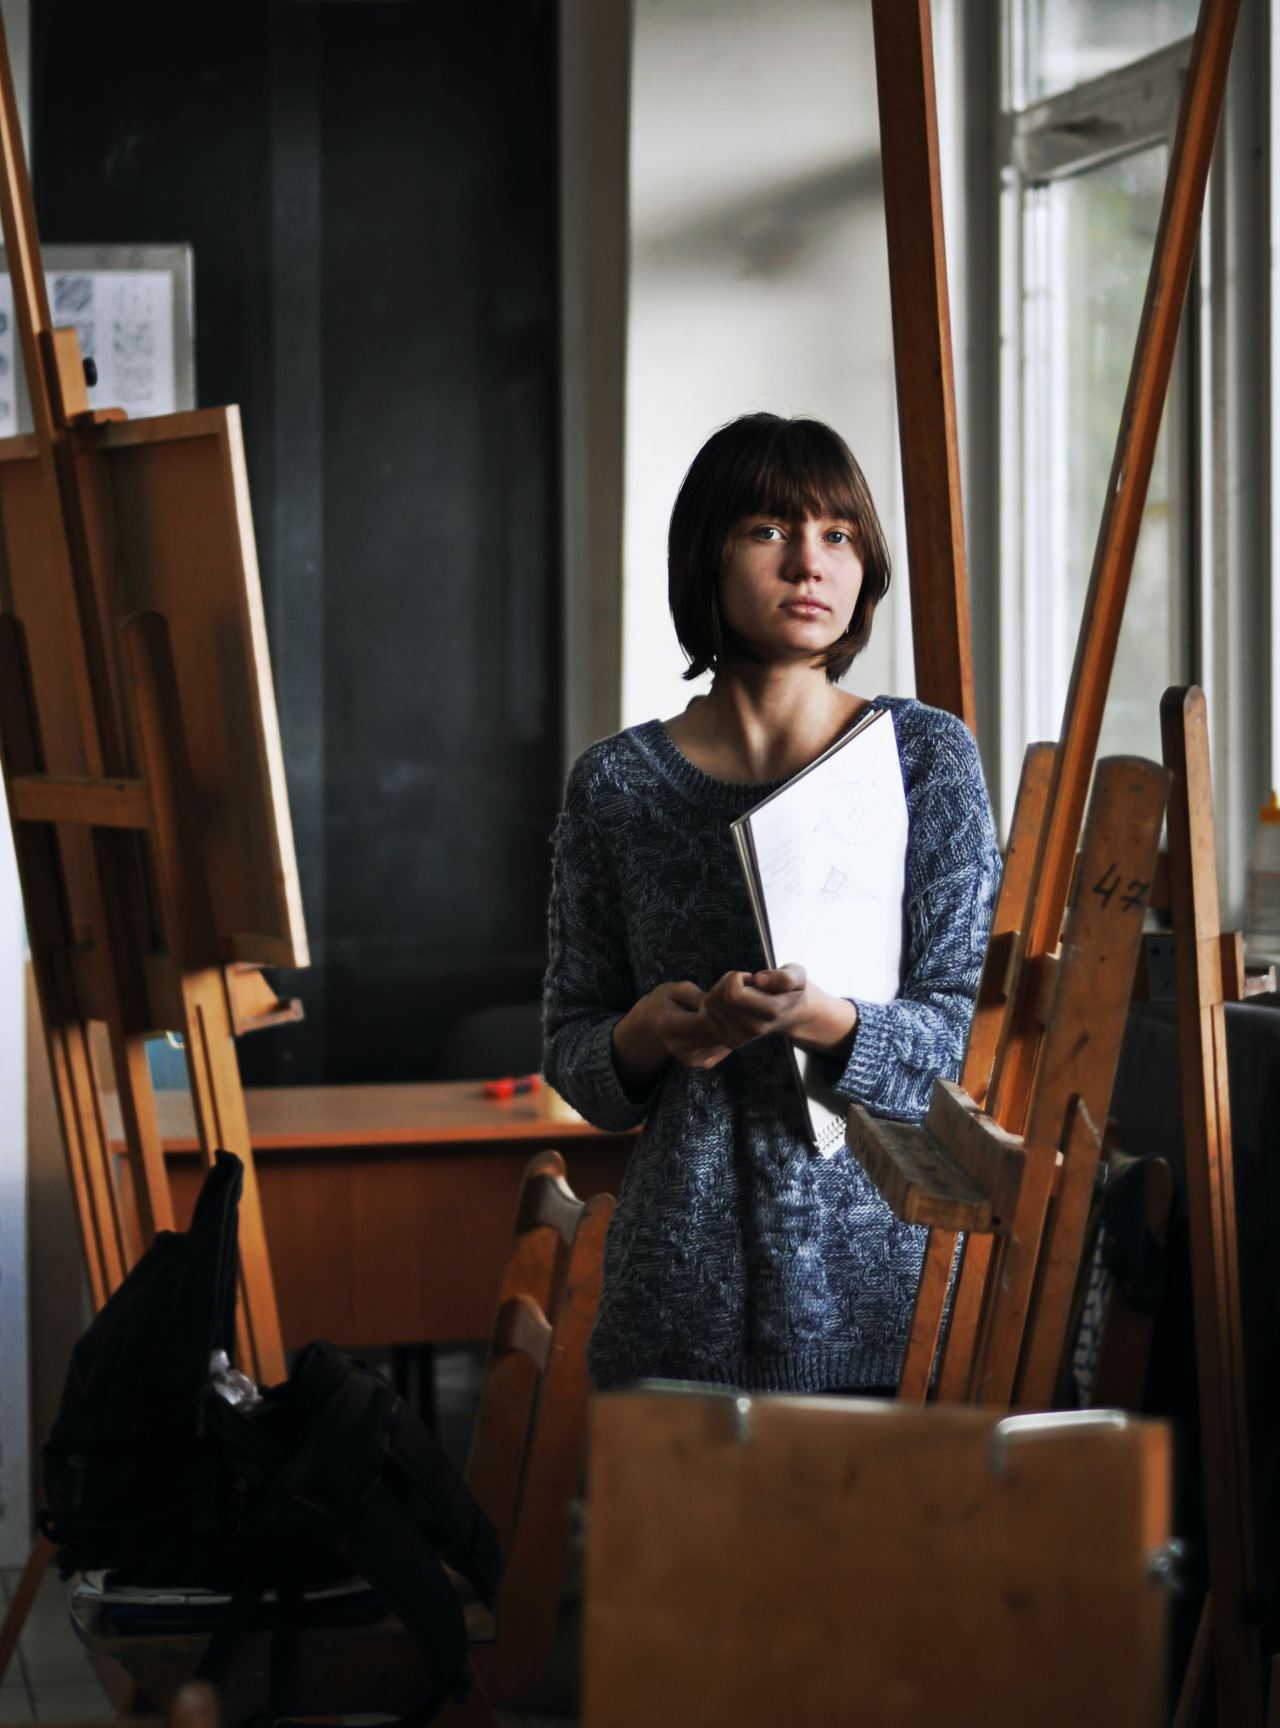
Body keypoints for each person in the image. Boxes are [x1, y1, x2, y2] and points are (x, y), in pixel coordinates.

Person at [542, 412, 1000, 1394]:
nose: (807, 564)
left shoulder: (923, 759)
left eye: (835, 536)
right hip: (675, 1306)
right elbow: (573, 1056)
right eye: (767, 532)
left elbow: (962, 1044)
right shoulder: (614, 786)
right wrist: (648, 1033)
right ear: (704, 556)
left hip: (891, 1296)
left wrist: (817, 1019)